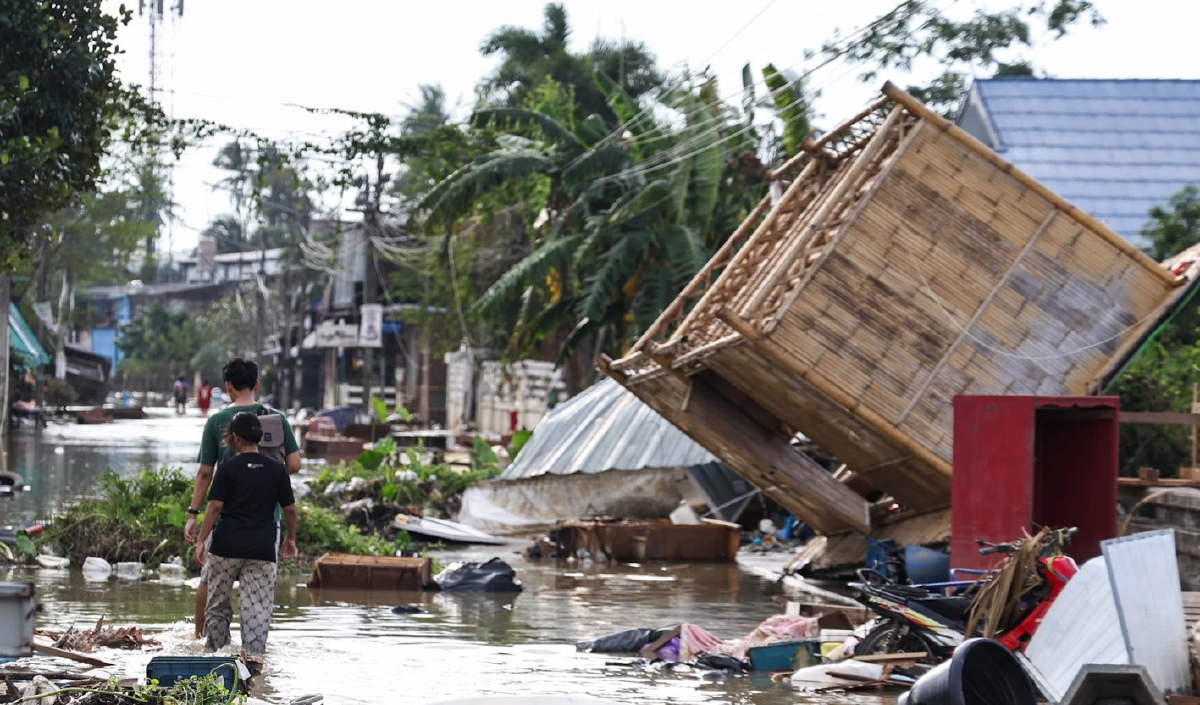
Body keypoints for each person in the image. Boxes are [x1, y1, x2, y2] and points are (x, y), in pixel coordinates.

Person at [185, 358, 301, 639]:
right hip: (266, 522)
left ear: (227, 387)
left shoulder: (216, 421)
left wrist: (192, 514)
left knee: (209, 581)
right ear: (256, 385)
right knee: (258, 597)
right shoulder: (277, 418)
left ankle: (201, 640)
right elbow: (295, 464)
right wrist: (268, 476)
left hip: (225, 522)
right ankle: (254, 655)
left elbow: (204, 473)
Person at [195, 411, 297, 655]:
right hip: (262, 549)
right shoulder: (276, 469)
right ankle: (253, 664)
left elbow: (215, 506)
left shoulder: (228, 466)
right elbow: (290, 510)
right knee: (257, 609)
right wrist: (290, 538)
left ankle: (216, 660)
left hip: (226, 546)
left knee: (218, 604)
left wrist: (201, 540)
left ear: (235, 439)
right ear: (259, 438)